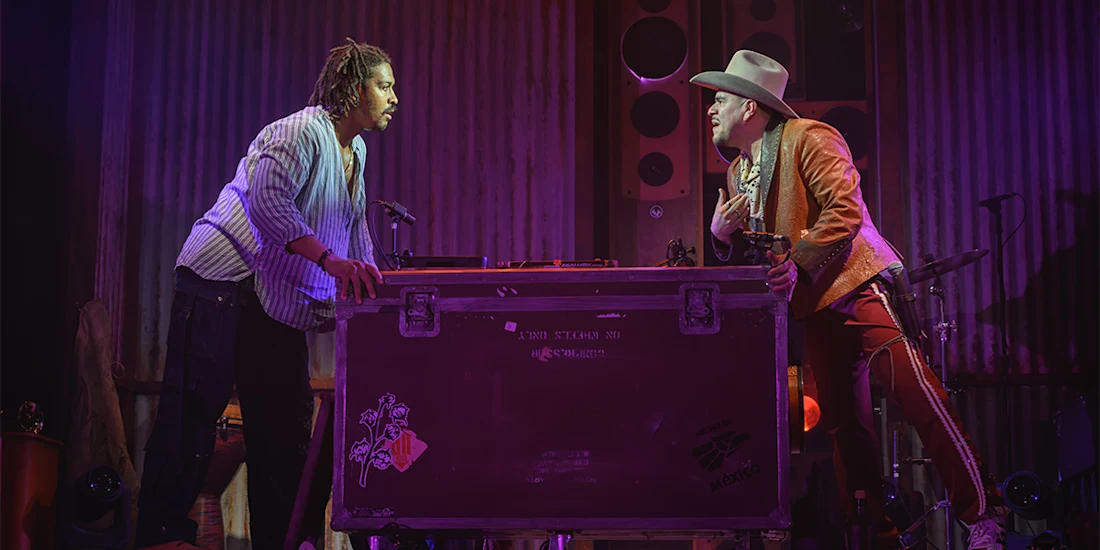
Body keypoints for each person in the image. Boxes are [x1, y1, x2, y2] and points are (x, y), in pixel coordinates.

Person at [690, 50, 1007, 550]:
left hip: (858, 283)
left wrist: (796, 262)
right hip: (815, 305)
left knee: (918, 397)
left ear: (750, 108)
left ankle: (984, 514)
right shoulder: (736, 176)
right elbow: (761, 258)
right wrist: (720, 238)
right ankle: (882, 533)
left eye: (719, 100)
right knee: (844, 427)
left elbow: (845, 211)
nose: (709, 111)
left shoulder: (808, 136)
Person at [135, 38, 397, 550]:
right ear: (352, 88)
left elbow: (352, 226)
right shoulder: (299, 131)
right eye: (384, 86)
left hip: (268, 296)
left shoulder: (355, 150)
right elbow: (268, 202)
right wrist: (329, 261)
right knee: (192, 418)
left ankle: (286, 540)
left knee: (284, 430)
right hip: (219, 283)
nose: (394, 97)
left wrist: (375, 284)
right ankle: (162, 536)